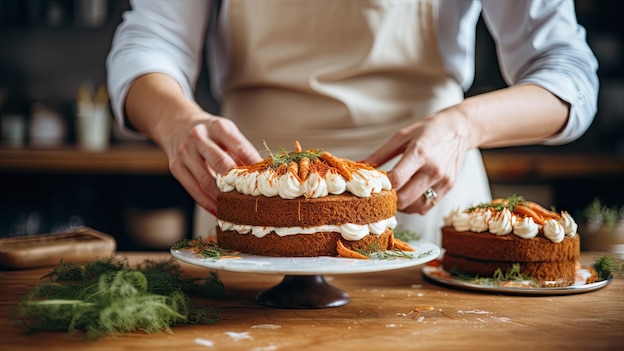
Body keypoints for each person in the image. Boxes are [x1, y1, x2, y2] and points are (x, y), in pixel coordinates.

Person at [107, 0, 598, 244]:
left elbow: (569, 73)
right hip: (248, 208)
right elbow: (150, 43)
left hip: (422, 200)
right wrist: (177, 123)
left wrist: (464, 127)